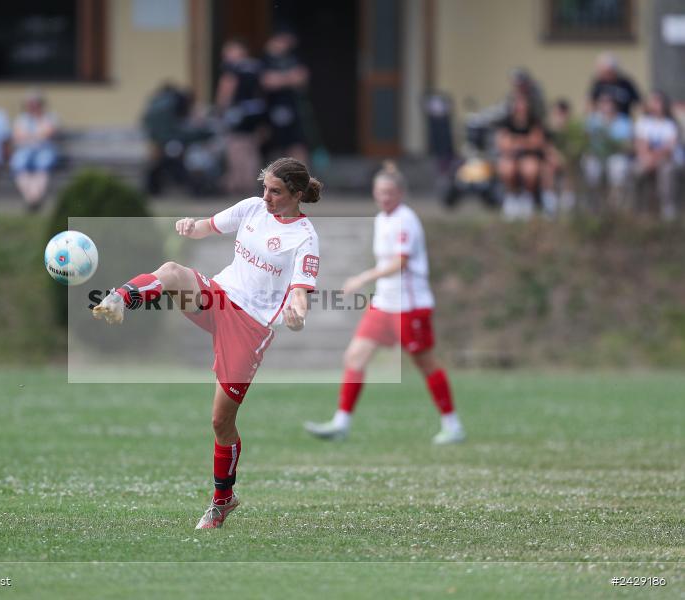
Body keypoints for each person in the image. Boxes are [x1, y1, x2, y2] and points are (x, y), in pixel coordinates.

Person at [93, 157, 321, 529]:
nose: (266, 197)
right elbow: (208, 226)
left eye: (276, 191)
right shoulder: (252, 208)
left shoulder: (305, 238)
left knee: (220, 421)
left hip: (250, 326)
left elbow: (300, 290)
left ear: (296, 195)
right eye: (265, 188)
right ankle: (119, 299)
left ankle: (223, 500)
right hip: (218, 297)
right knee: (171, 271)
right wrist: (190, 225)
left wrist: (297, 312)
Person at [304, 162, 464, 445]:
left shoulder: (406, 219)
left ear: (401, 193)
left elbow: (400, 262)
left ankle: (453, 425)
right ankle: (341, 424)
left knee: (425, 364)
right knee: (354, 357)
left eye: (389, 192)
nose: (384, 197)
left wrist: (363, 278)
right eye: (380, 192)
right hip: (383, 303)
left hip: (410, 305)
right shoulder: (381, 219)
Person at [215, 39, 266, 195]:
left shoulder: (232, 68)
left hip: (238, 113)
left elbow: (227, 88)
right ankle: (251, 183)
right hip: (256, 111)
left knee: (236, 147)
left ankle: (239, 183)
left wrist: (220, 109)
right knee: (251, 148)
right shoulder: (256, 66)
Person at [496, 93, 549, 219]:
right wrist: (524, 141)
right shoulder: (507, 121)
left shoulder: (533, 120)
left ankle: (527, 198)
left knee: (530, 169)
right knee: (507, 168)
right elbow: (503, 143)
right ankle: (512, 197)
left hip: (530, 156)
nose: (520, 107)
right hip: (511, 157)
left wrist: (517, 142)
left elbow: (537, 142)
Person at [261, 30, 310, 165]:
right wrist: (289, 78)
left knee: (297, 145)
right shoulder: (265, 60)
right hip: (271, 109)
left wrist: (281, 79)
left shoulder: (292, 58)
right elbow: (267, 81)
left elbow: (302, 78)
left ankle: (300, 175)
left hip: (292, 108)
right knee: (275, 148)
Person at [581, 92, 634, 213]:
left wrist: (613, 146)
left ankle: (615, 207)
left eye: (609, 102)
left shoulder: (624, 121)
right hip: (596, 155)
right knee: (591, 169)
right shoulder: (592, 120)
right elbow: (585, 141)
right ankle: (594, 205)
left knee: (618, 169)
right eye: (603, 102)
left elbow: (627, 145)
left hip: (616, 155)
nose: (606, 105)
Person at [633, 90, 681, 221]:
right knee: (636, 171)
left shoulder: (670, 124)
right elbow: (640, 144)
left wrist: (653, 159)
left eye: (657, 101)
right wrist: (647, 158)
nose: (654, 104)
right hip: (646, 159)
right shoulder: (643, 122)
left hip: (666, 160)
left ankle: (668, 209)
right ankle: (640, 209)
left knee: (666, 171)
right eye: (652, 101)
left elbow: (669, 148)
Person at [10, 89, 59, 211]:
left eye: (36, 103)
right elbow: (17, 136)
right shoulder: (22, 119)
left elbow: (48, 133)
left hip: (44, 150)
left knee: (42, 167)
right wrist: (36, 135)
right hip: (25, 151)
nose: (33, 106)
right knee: (19, 165)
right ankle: (32, 199)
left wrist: (29, 136)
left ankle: (33, 199)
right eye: (30, 104)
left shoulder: (50, 117)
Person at [589, 52, 641, 117]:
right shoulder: (598, 84)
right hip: (603, 118)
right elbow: (590, 101)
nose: (604, 75)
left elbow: (638, 101)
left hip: (623, 118)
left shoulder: (625, 84)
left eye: (607, 72)